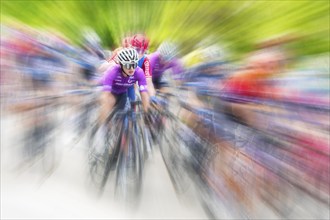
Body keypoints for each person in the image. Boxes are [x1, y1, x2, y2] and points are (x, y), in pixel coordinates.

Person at [99, 47, 150, 125]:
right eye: (128, 65)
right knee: (108, 105)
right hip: (111, 92)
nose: (132, 68)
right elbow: (105, 95)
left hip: (122, 92)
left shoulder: (139, 72)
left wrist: (147, 112)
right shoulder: (113, 71)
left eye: (134, 64)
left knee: (121, 118)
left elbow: (144, 93)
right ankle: (98, 127)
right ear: (121, 65)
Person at [129, 33, 156, 100]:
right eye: (137, 50)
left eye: (143, 51)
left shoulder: (145, 60)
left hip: (134, 80)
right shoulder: (125, 55)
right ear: (131, 47)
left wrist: (152, 96)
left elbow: (149, 82)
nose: (140, 54)